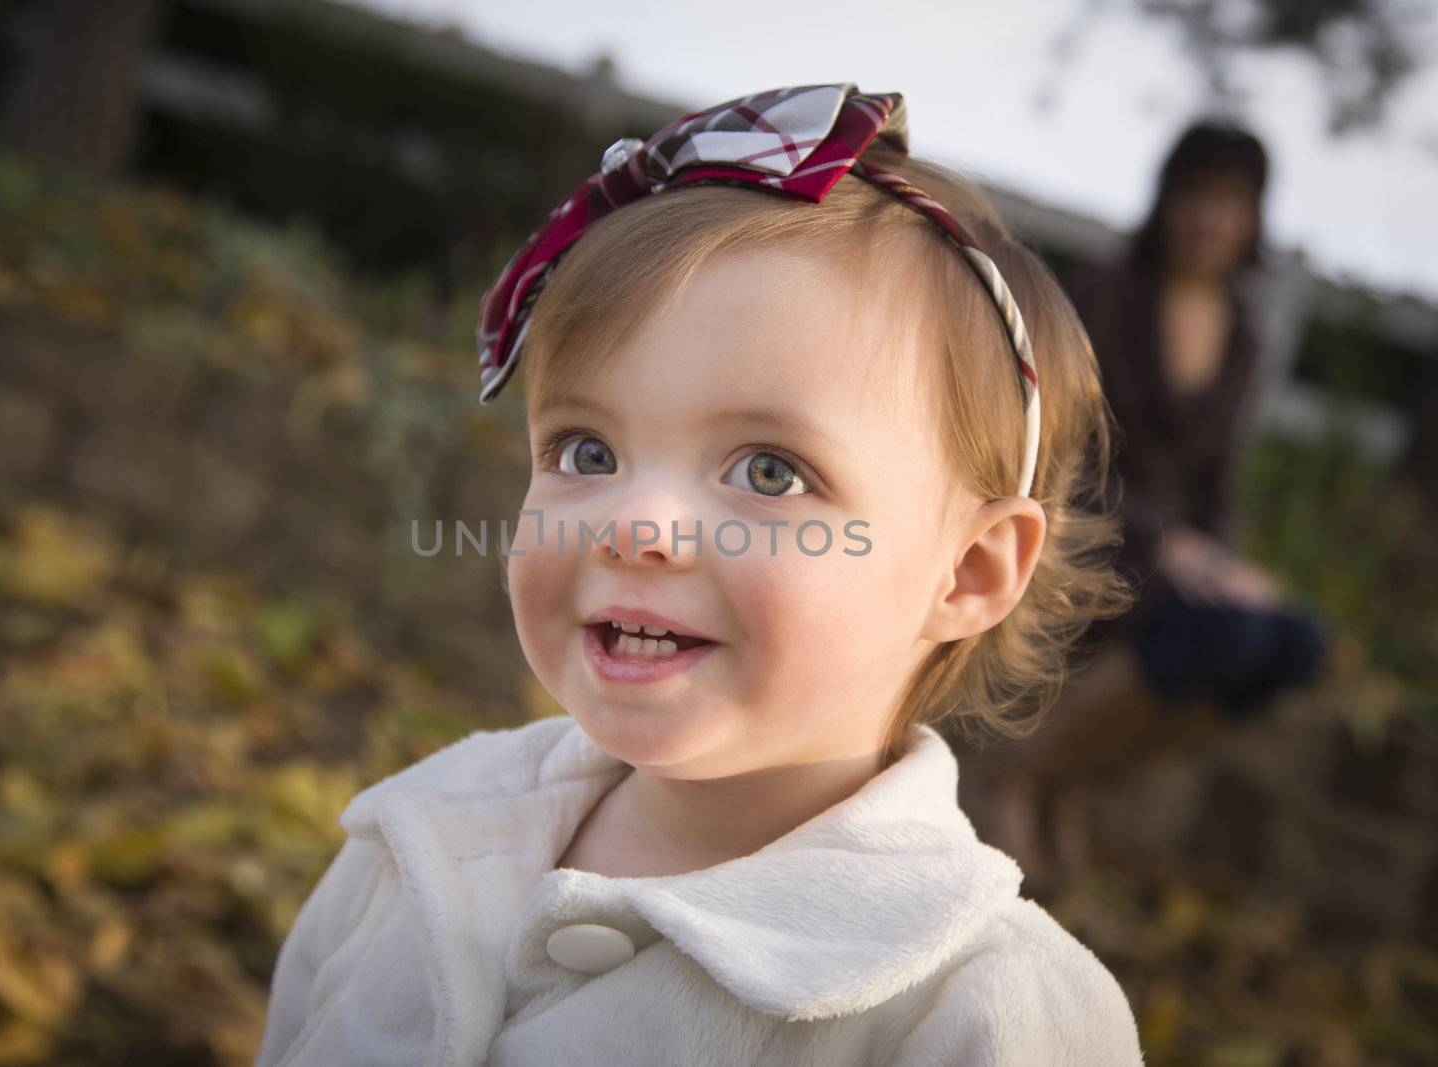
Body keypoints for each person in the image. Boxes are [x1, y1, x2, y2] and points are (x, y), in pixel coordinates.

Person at [254, 84, 1143, 1065]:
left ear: (966, 571)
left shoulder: (984, 1013)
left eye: (769, 470)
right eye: (586, 451)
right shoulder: (424, 832)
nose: (636, 526)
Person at [958, 121, 1331, 891]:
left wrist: (1224, 562)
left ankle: (1067, 778)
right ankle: (1016, 775)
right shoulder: (1104, 294)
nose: (1210, 219)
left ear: (1254, 217)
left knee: (1295, 643)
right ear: (1167, 200)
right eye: (1197, 196)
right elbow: (1066, 448)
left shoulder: (1245, 338)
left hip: (1172, 555)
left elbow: (1216, 485)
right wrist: (1166, 544)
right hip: (1088, 529)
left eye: (1231, 202)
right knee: (1221, 637)